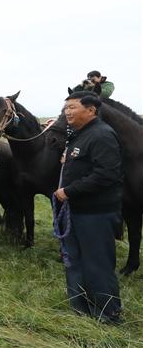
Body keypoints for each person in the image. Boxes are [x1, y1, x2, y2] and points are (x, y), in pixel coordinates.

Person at [55, 92, 123, 323]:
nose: (67, 112)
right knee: (73, 261)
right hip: (76, 212)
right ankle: (80, 309)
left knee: (97, 264)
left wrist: (69, 191)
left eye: (72, 107)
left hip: (96, 213)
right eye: (66, 108)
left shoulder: (102, 134)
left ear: (91, 110)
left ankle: (108, 315)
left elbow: (106, 174)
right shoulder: (79, 135)